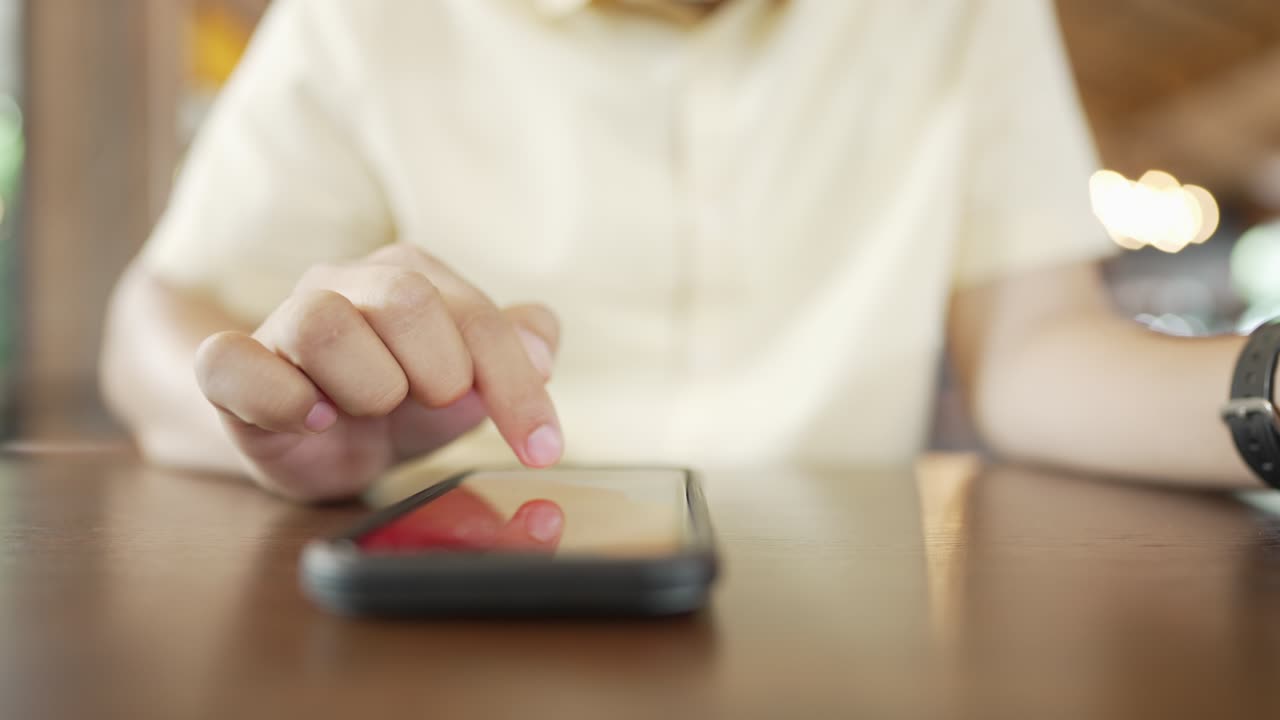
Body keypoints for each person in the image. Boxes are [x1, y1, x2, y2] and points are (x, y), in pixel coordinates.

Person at [101, 0, 1262, 502]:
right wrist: (285, 427)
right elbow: (158, 316)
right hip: (446, 618)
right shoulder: (364, 17)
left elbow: (1031, 348)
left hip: (849, 649)